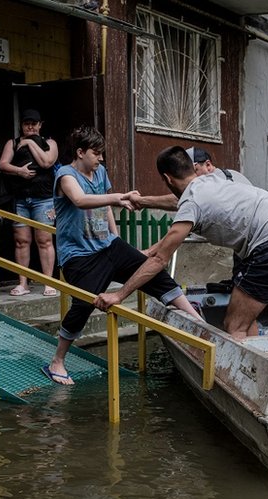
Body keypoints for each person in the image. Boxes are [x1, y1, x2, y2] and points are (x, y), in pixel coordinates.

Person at [94, 146, 268, 341]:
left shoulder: (192, 202)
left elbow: (160, 259)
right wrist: (143, 202)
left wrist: (118, 295)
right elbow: (178, 200)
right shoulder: (214, 179)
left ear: (168, 178)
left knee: (234, 327)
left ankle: (248, 383)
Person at [44, 128, 201, 385]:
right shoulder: (65, 175)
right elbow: (81, 200)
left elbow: (104, 207)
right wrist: (120, 197)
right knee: (84, 305)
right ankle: (57, 362)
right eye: (96, 153)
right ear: (80, 152)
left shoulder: (100, 172)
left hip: (108, 245)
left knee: (153, 272)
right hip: (79, 255)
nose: (101, 158)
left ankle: (198, 323)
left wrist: (116, 238)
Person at [0, 109, 59, 297]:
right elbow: (3, 165)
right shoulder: (13, 143)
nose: (30, 126)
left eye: (34, 123)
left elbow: (47, 163)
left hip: (44, 199)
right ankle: (22, 283)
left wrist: (30, 142)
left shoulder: (50, 142)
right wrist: (19, 171)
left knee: (45, 240)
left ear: (40, 125)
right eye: (26, 123)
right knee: (21, 241)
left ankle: (48, 282)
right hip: (21, 199)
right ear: (21, 125)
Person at [128, 146, 250, 211]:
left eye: (194, 171)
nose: (191, 178)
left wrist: (141, 201)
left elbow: (181, 200)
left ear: (208, 165)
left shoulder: (218, 179)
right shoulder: (231, 174)